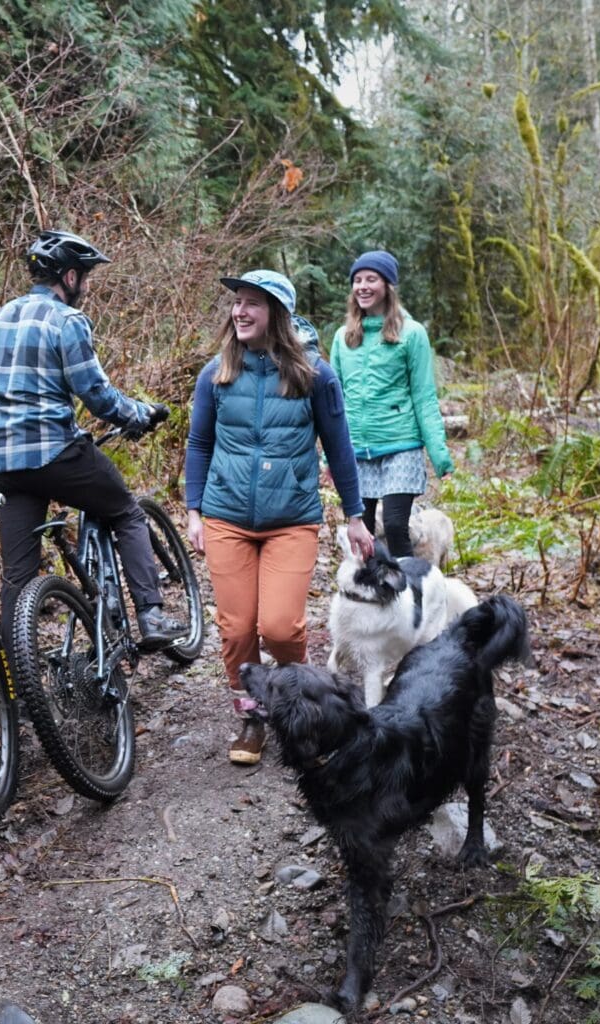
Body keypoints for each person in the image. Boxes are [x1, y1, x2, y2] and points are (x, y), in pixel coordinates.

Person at [184, 269, 374, 765]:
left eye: (253, 303)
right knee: (237, 629)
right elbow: (200, 442)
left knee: (281, 628)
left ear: (279, 315)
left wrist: (354, 516)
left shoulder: (316, 375)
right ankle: (252, 717)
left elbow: (339, 446)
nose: (239, 311)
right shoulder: (216, 373)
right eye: (237, 303)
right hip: (226, 515)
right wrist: (194, 510)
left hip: (291, 519)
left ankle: (301, 706)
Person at [0, 229, 186, 650]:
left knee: (18, 574)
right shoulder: (66, 321)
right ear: (68, 277)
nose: (86, 286)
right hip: (56, 453)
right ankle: (152, 616)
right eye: (85, 276)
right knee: (126, 512)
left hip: (4, 466)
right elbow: (97, 394)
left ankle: (17, 679)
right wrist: (140, 414)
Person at [328, 250, 454, 557]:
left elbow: (424, 396)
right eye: (357, 280)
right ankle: (374, 597)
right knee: (364, 530)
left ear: (388, 286)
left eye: (371, 279)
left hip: (401, 444)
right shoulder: (343, 338)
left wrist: (440, 456)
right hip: (356, 449)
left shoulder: (412, 334)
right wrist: (328, 458)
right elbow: (334, 402)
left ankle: (410, 595)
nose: (363, 286)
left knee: (397, 525)